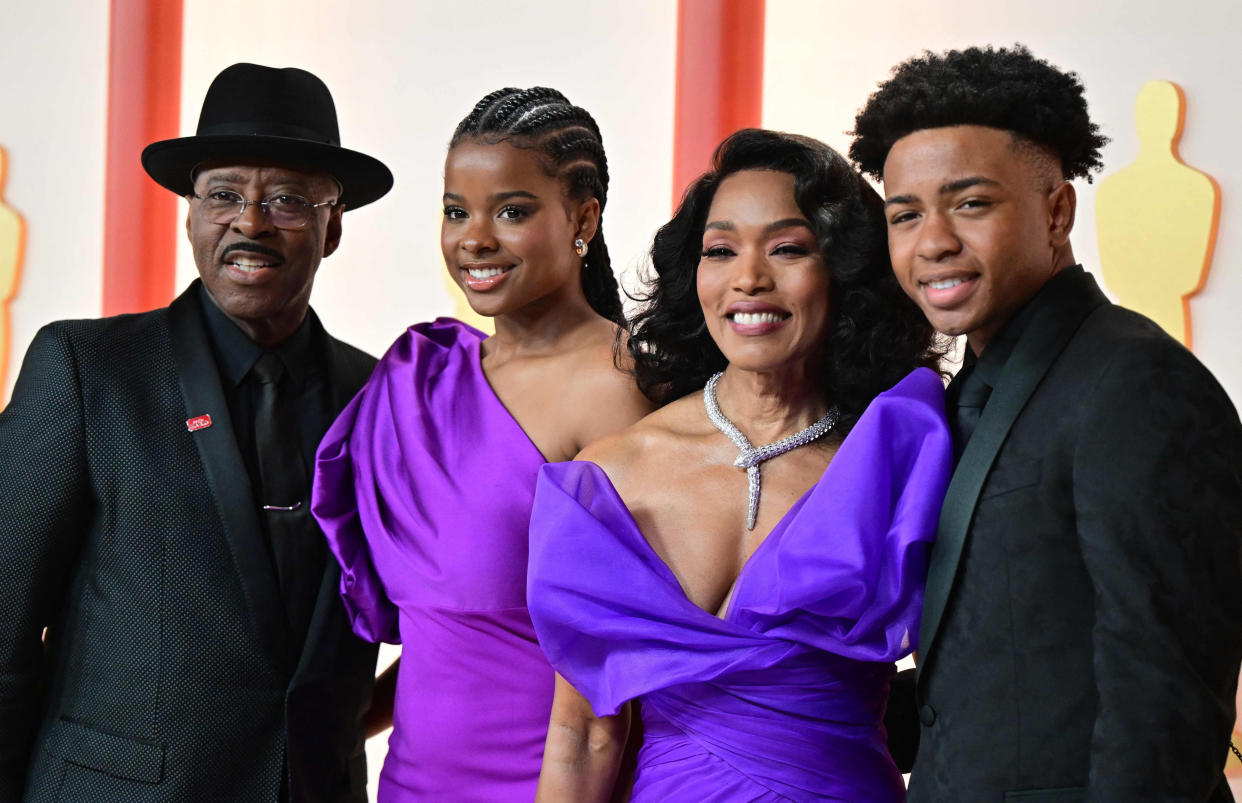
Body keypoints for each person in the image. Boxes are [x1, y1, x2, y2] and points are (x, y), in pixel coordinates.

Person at [850, 44, 1242, 801]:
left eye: (970, 203)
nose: (932, 241)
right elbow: (992, 671)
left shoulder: (1136, 382)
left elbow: (1163, 701)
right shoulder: (958, 392)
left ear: (1057, 210)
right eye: (906, 215)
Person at [0, 64, 392, 802]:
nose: (250, 221)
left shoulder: (379, 397)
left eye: (285, 198)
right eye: (223, 194)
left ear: (333, 225)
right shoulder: (87, 370)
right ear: (190, 214)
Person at [526, 128, 952, 802]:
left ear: (843, 268)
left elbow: (954, 707)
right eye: (720, 251)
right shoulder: (613, 473)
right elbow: (582, 737)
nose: (749, 278)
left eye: (786, 248)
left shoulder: (899, 457)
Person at [311, 87, 652, 801]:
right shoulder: (426, 376)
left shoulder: (615, 386)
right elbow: (457, 632)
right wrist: (332, 723)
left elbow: (606, 684)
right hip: (409, 784)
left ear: (583, 218)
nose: (475, 238)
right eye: (456, 210)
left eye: (513, 210)